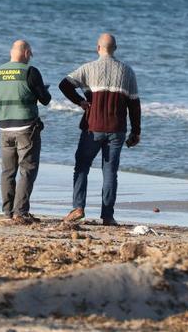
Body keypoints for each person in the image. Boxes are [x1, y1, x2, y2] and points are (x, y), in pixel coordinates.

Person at [59, 33, 141, 226]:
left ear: (98, 48)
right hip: (117, 129)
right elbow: (134, 104)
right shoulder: (127, 71)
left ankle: (78, 208)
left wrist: (80, 101)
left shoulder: (88, 68)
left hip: (92, 128)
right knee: (110, 172)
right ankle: (107, 216)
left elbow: (64, 84)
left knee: (81, 167)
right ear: (115, 49)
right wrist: (136, 131)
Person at [0, 40, 52, 224]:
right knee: (27, 169)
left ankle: (7, 211)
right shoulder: (30, 72)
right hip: (26, 127)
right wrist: (42, 91)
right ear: (26, 53)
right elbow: (45, 99)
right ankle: (21, 211)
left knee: (7, 171)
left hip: (4, 126)